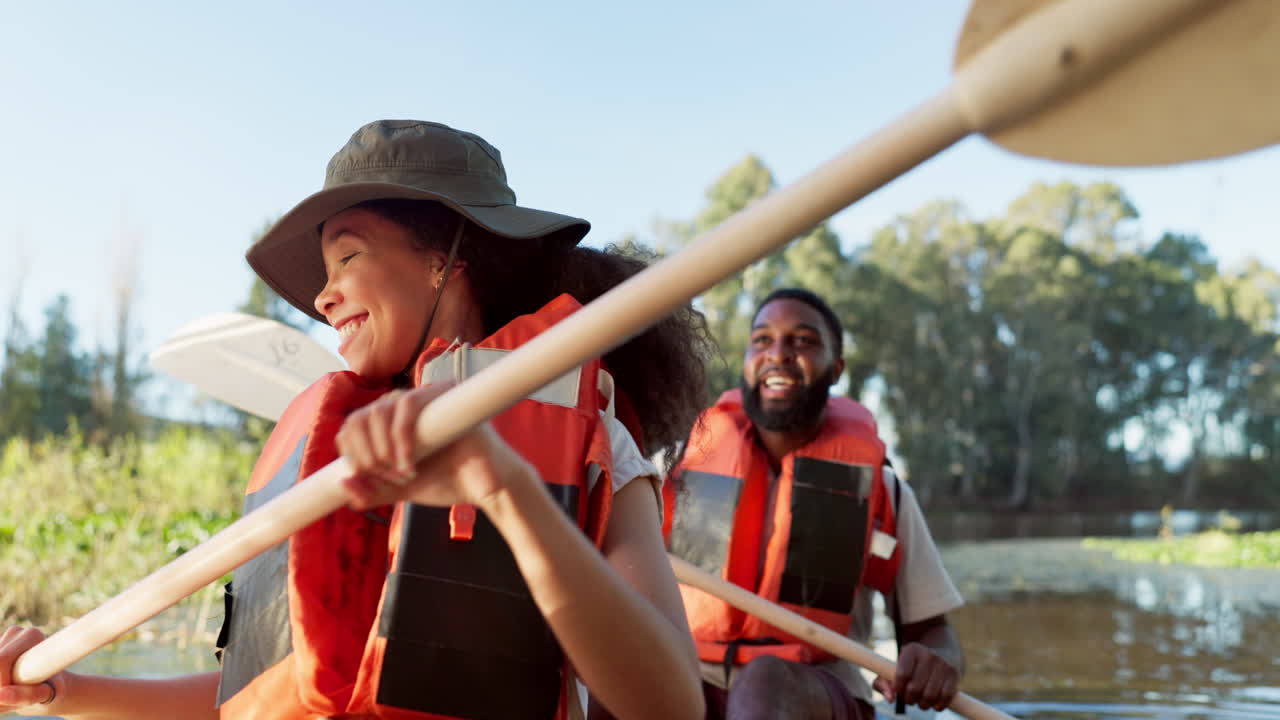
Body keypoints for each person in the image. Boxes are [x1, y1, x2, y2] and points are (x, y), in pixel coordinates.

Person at [0, 120, 709, 720]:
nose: (323, 296)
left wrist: (506, 487)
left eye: (347, 257)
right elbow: (255, 694)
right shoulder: (324, 456)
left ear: (443, 258)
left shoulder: (594, 441)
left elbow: (673, 701)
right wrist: (64, 688)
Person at [664, 287, 964, 719]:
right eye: (762, 340)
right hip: (691, 679)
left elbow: (936, 633)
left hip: (815, 690)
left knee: (765, 680)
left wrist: (940, 663)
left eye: (802, 341)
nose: (779, 353)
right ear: (747, 361)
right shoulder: (674, 470)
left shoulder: (884, 488)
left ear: (836, 368)